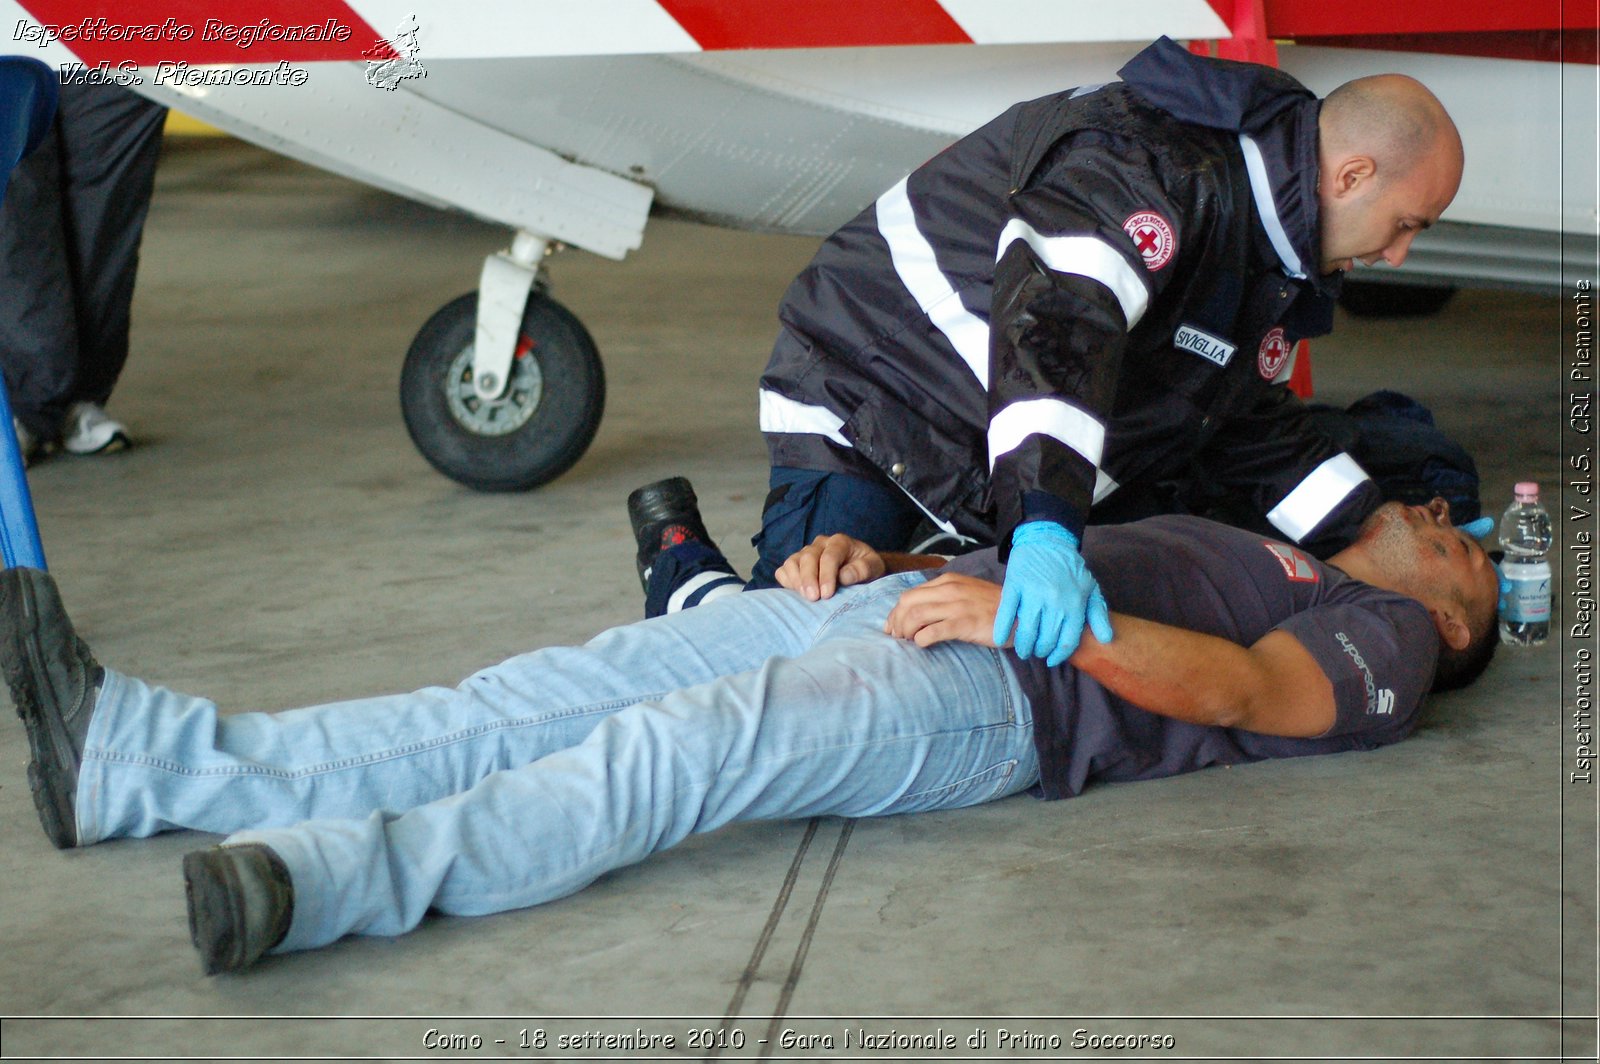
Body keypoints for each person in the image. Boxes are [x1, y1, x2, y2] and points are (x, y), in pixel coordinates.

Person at [5, 497, 1497, 974]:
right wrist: (893, 566)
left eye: (1472, 556)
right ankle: (140, 761)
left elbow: (1247, 697)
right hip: (921, 615)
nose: (1452, 525)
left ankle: (318, 880)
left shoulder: (1382, 648)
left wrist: (1022, 625)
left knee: (679, 752)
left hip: (1005, 697)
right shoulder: (1274, 535)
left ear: (1454, 626)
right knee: (546, 693)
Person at [629, 36, 1467, 672]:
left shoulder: (1271, 252)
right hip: (879, 404)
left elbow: (1242, 424)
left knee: (938, 644)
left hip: (993, 455)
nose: (1398, 257)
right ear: (1352, 176)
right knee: (795, 651)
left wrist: (1373, 522)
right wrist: (1046, 532)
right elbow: (1059, 329)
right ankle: (685, 574)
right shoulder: (1149, 162)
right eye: (1408, 227)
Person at [0, 79, 166, 464]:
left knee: (106, 206)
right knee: (16, 200)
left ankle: (79, 395)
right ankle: (28, 404)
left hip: (114, 25)